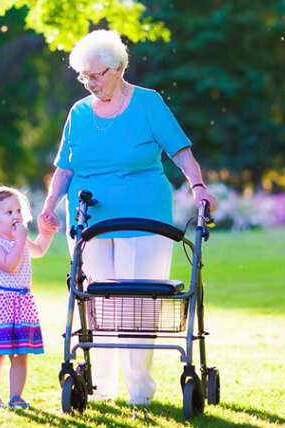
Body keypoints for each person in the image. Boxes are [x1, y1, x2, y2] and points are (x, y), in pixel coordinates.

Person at [38, 30, 218, 406]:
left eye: (96, 74)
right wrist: (49, 205)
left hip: (144, 218)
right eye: (82, 76)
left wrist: (198, 186)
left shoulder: (148, 104)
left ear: (119, 67)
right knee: (97, 303)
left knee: (138, 303)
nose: (89, 83)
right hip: (89, 221)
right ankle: (101, 387)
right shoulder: (79, 113)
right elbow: (65, 167)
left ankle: (139, 389)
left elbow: (181, 152)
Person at [0, 185, 59, 409]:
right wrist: (20, 240)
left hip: (21, 303)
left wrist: (46, 233)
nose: (16, 216)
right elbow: (10, 265)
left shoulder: (19, 239)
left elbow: (37, 250)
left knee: (21, 355)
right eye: (8, 212)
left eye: (18, 210)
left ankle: (16, 396)